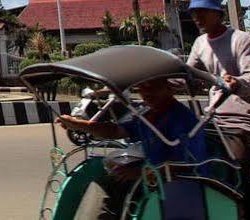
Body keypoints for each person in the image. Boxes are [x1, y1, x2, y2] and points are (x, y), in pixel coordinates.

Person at [58, 77, 207, 220]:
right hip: (155, 175)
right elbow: (116, 131)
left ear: (169, 88)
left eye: (152, 87)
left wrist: (139, 173)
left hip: (180, 181)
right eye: (141, 88)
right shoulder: (148, 115)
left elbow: (182, 164)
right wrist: (77, 124)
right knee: (104, 177)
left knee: (111, 187)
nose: (146, 93)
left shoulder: (181, 119)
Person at [186, 0, 250, 220]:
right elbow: (188, 74)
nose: (197, 18)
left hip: (245, 121)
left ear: (217, 13)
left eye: (202, 12)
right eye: (194, 13)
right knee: (192, 161)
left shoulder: (240, 39)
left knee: (235, 170)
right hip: (215, 118)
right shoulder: (200, 43)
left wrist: (236, 82)